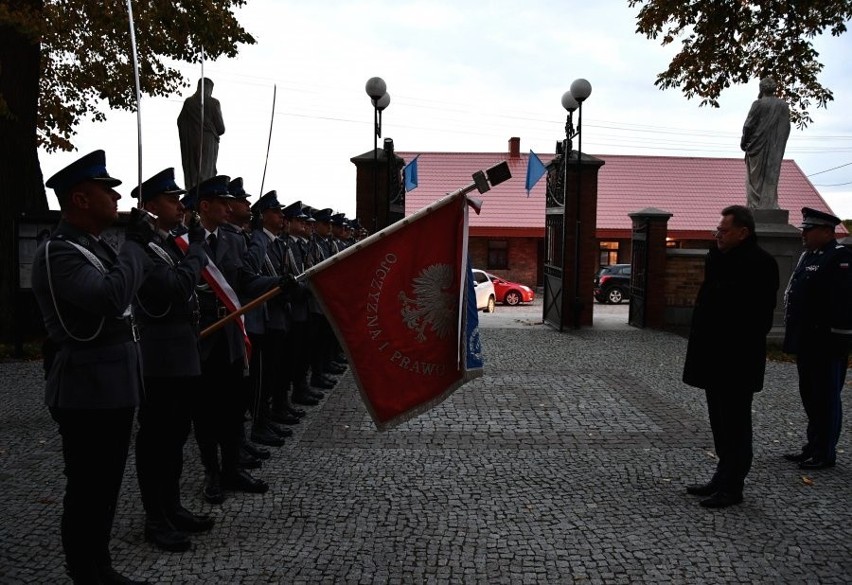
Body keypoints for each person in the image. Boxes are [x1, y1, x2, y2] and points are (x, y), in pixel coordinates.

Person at [31, 150, 154, 584]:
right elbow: (109, 297)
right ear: (80, 199)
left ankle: (100, 565)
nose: (116, 196)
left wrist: (132, 250)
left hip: (113, 382)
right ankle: (85, 570)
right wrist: (136, 248)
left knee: (105, 484)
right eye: (107, 189)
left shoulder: (93, 246)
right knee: (87, 487)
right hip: (86, 386)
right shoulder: (59, 253)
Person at [131, 168, 213, 553]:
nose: (180, 206)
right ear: (149, 206)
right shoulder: (145, 250)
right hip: (160, 359)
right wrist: (197, 246)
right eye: (170, 199)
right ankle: (155, 517)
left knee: (177, 437)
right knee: (157, 440)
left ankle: (172, 505)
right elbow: (179, 288)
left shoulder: (163, 245)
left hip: (182, 353)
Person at [682, 205, 779, 508]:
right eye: (718, 230)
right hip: (714, 360)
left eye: (723, 231)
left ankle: (733, 486)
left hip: (736, 362)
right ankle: (721, 476)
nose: (718, 235)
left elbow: (757, 319)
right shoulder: (719, 258)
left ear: (743, 232)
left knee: (736, 425)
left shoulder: (760, 264)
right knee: (720, 423)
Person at [783, 207, 852, 470]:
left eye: (809, 230)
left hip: (827, 343)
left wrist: (838, 342)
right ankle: (812, 445)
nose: (804, 234)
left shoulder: (840, 258)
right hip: (807, 341)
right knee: (810, 396)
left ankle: (826, 451)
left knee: (827, 398)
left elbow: (843, 305)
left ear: (826, 231)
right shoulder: (807, 257)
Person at [740, 76, 791, 210]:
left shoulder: (758, 104)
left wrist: (744, 142)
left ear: (761, 89)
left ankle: (755, 205)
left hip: (757, 146)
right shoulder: (783, 106)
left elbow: (748, 126)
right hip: (776, 147)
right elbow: (786, 128)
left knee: (754, 178)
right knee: (771, 175)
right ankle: (770, 204)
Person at [177, 78, 225, 189]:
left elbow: (180, 122)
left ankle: (193, 191)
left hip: (191, 142)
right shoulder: (214, 103)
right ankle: (204, 194)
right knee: (206, 172)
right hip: (208, 143)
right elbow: (221, 129)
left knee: (194, 172)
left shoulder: (189, 102)